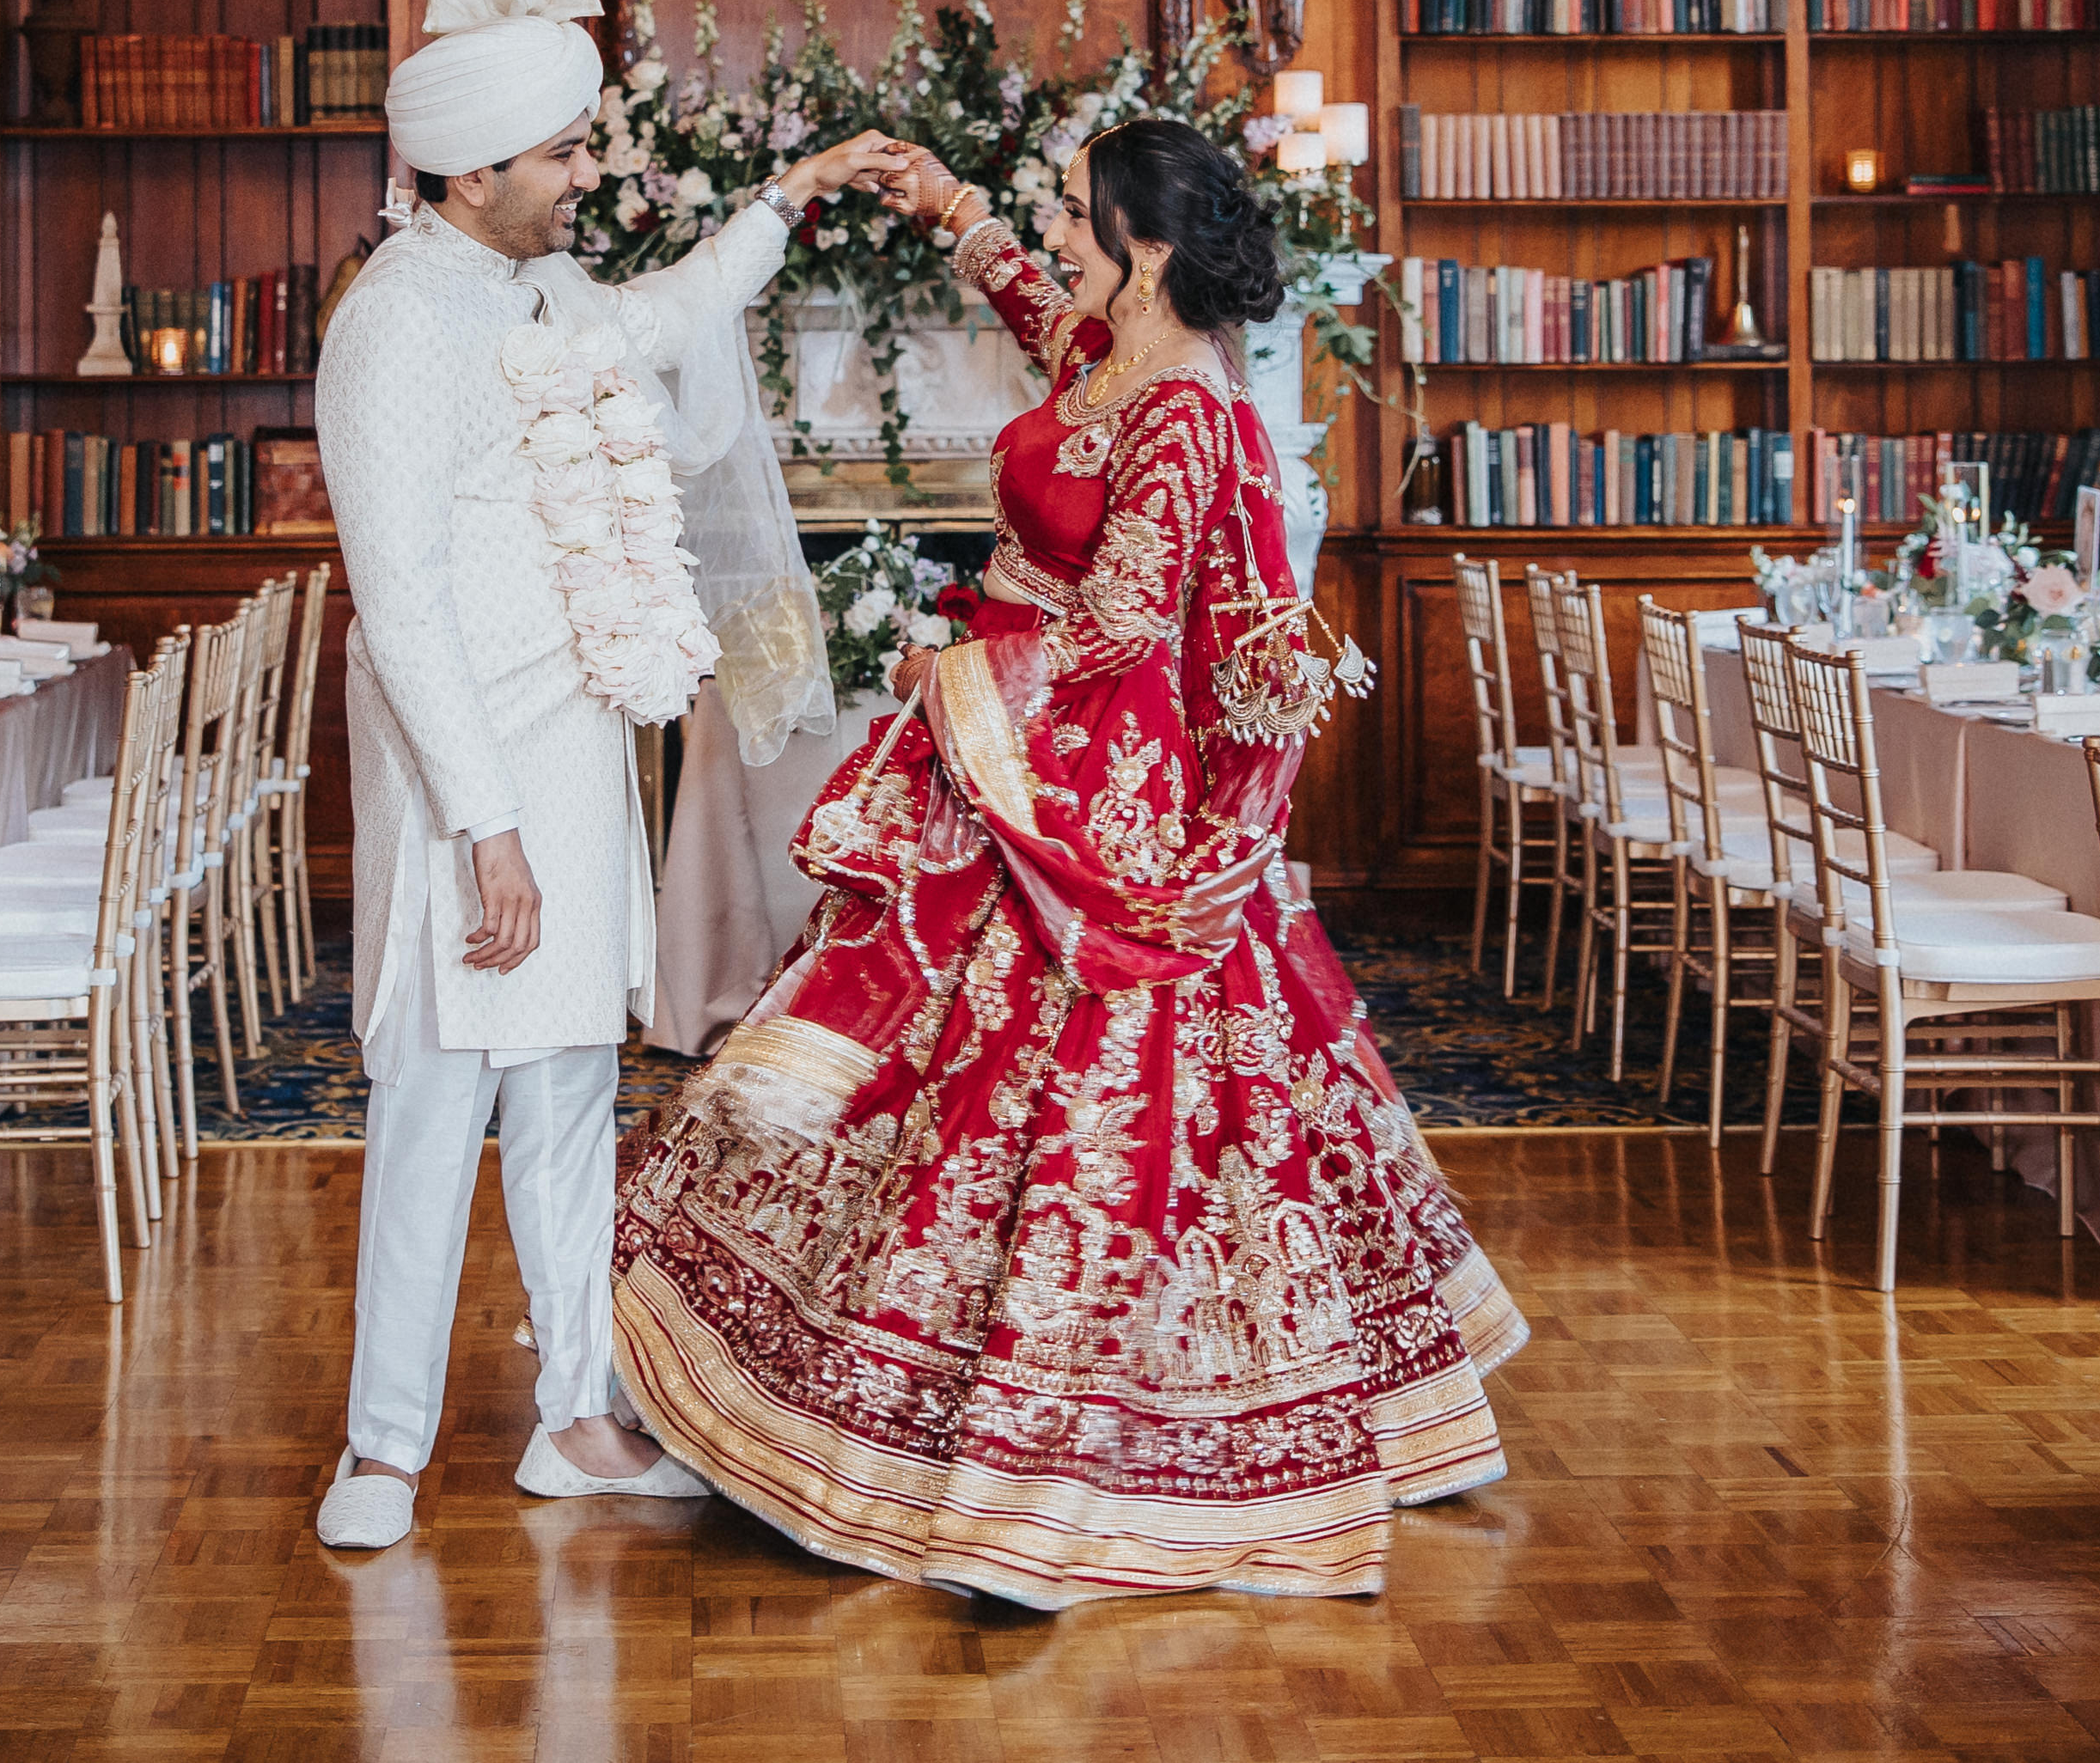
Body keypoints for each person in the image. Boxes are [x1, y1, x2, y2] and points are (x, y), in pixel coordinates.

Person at [613, 117, 1526, 1607]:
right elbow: (1038, 308)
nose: (1064, 243)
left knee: (1096, 1110)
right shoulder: (1111, 353)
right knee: (1055, 1068)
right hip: (1035, 765)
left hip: (1100, 804)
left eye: (1081, 220)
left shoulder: (1185, 409)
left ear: (1147, 249)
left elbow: (1121, 629)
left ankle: (1060, 1469)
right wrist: (945, 206)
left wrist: (941, 677)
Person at [309, 0, 899, 1553]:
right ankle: (383, 1448)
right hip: (462, 786)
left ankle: (576, 1413)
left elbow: (654, 320)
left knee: (570, 1094)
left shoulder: (539, 283)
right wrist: (480, 829)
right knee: (431, 1102)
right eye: (565, 148)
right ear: (475, 161)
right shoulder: (392, 326)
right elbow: (402, 607)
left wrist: (791, 198)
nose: (586, 169)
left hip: (569, 765)